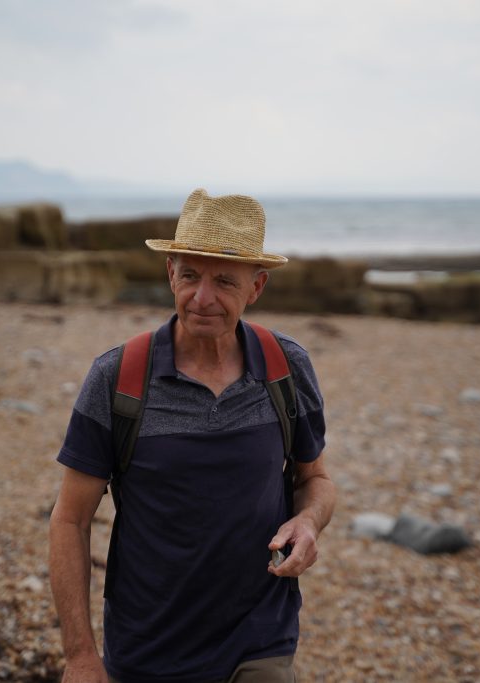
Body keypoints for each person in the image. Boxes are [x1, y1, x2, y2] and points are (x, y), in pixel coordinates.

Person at [49, 188, 336, 683]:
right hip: (146, 651)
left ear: (257, 287)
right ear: (169, 274)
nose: (203, 298)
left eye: (225, 281)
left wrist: (309, 522)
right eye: (189, 276)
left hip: (260, 640)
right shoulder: (118, 378)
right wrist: (79, 656)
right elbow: (70, 521)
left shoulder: (286, 367)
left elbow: (316, 478)